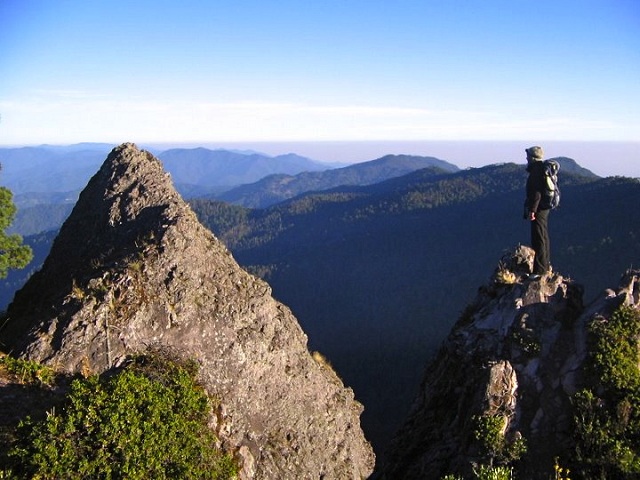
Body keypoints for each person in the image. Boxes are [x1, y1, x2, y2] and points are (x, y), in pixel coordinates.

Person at [523, 146, 551, 280]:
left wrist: (532, 211)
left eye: (528, 156)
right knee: (543, 237)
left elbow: (536, 194)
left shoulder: (536, 171)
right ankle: (544, 266)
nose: (526, 158)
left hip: (539, 209)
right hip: (544, 208)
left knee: (538, 238)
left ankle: (539, 271)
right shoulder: (541, 169)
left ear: (533, 158)